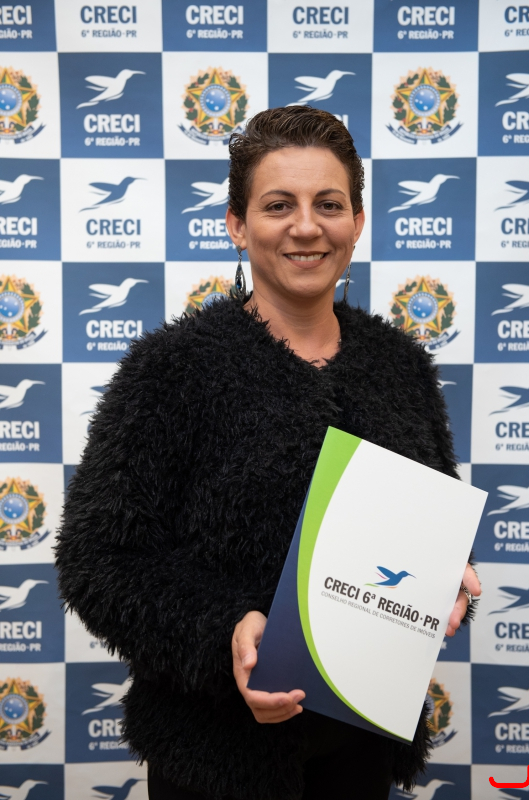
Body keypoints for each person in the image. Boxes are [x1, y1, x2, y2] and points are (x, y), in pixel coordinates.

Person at [55, 106, 481, 800]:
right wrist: (224, 630)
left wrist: (445, 581)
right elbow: (96, 561)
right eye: (279, 205)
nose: (307, 227)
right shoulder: (173, 370)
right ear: (237, 224)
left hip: (361, 749)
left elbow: (430, 524)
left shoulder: (401, 366)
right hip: (217, 759)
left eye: (329, 205)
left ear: (358, 222)